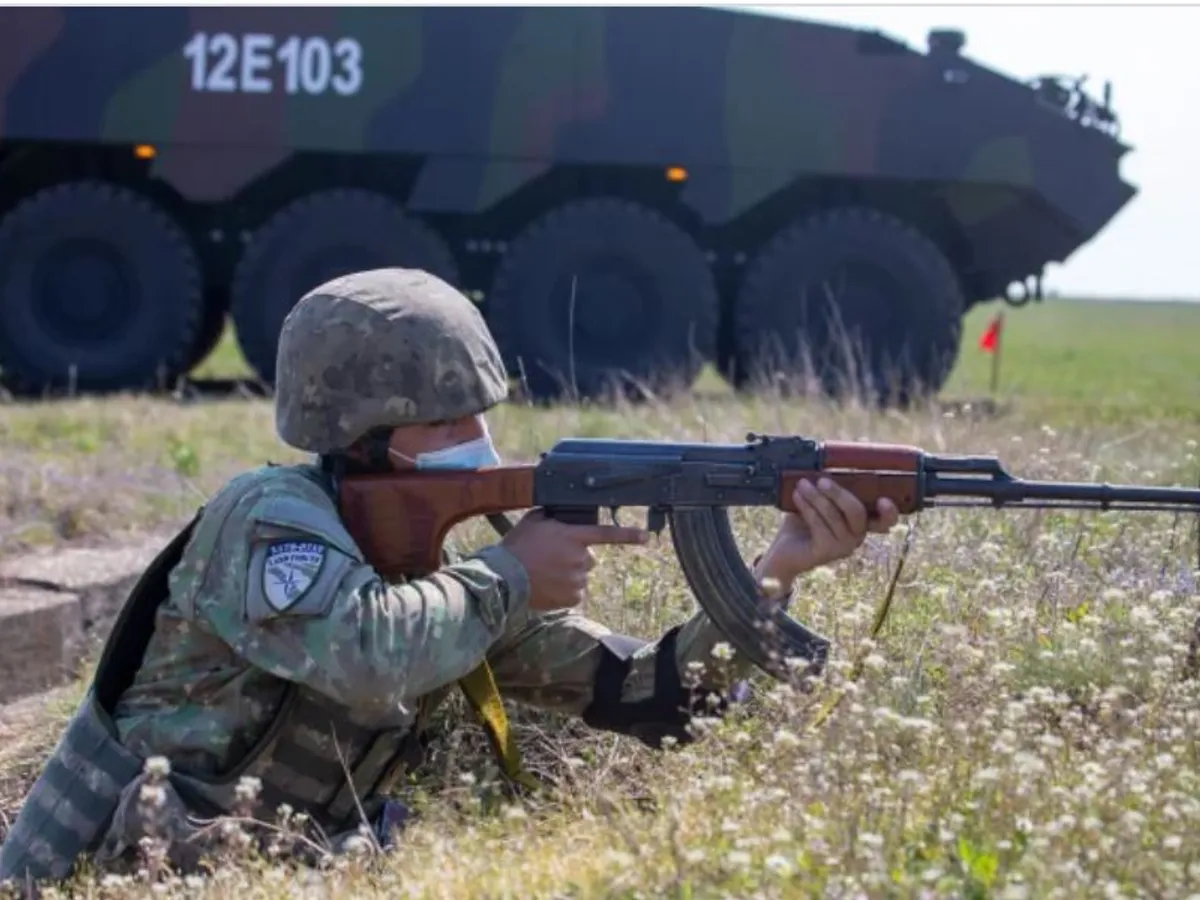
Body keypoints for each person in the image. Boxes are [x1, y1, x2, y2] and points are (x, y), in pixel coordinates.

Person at [0, 268, 898, 885]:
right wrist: (512, 574)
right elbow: (364, 652)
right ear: (364, 432)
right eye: (449, 417)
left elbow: (652, 694)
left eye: (481, 410)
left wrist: (779, 569)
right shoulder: (269, 516)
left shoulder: (435, 580)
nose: (480, 438)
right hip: (122, 874)